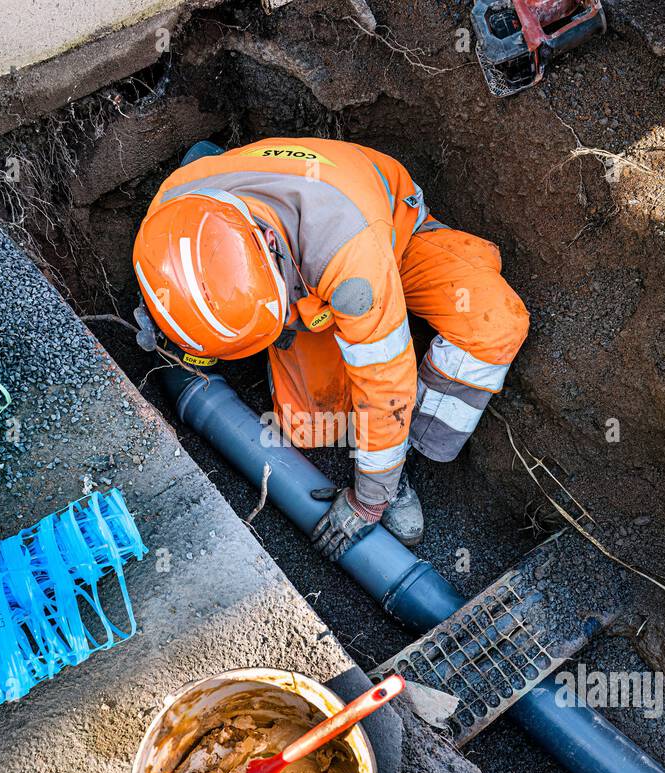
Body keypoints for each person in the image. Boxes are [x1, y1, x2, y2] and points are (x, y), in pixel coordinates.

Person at [131, 137, 529, 559]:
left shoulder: (349, 260)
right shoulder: (172, 218)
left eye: (280, 319)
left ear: (269, 242)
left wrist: (371, 497)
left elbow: (385, 381)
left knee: (493, 325)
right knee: (313, 426)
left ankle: (401, 456)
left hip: (391, 236)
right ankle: (375, 443)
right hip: (306, 255)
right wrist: (167, 326)